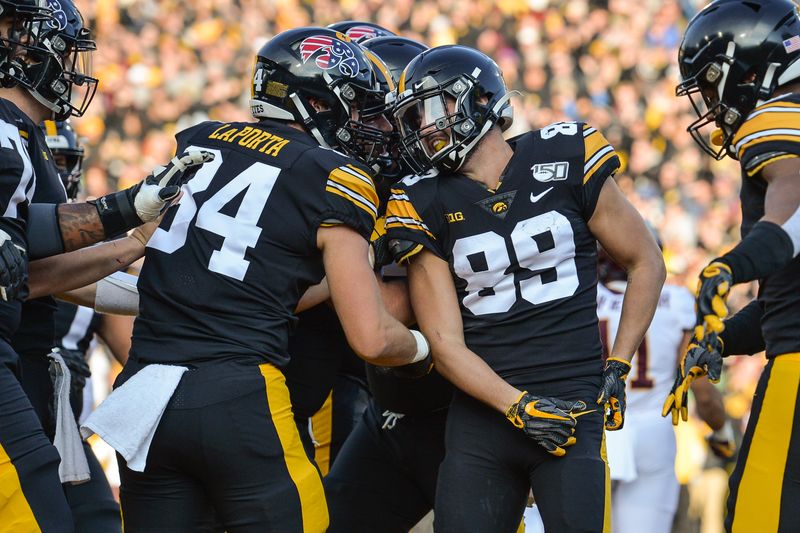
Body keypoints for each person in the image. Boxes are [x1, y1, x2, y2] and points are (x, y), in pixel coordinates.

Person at [91, 27, 430, 532]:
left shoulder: (203, 142)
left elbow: (154, 264)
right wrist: (425, 349)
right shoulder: (334, 175)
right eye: (361, 109)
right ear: (316, 103)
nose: (376, 125)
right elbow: (373, 334)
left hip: (145, 401)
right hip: (240, 397)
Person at [386, 45, 666, 532]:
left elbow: (646, 261)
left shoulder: (564, 153)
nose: (424, 126)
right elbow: (445, 342)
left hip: (572, 407)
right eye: (414, 115)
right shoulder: (420, 197)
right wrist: (516, 406)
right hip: (484, 417)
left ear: (476, 100)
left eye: (433, 108)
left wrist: (618, 362)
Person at [0, 2, 204, 530]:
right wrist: (126, 216)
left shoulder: (25, 134)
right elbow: (18, 269)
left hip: (26, 366)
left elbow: (31, 261)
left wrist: (132, 238)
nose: (71, 69)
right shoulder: (6, 131)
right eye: (62, 53)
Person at [663, 2, 800, 532]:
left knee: (755, 519)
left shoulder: (777, 117)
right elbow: (783, 302)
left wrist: (730, 266)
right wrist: (721, 339)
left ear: (748, 67)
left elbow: (792, 218)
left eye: (713, 83)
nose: (712, 106)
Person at [323, 35, 456, 533]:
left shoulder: (433, 191)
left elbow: (392, 309)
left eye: (375, 114)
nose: (361, 128)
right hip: (392, 410)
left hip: (464, 412)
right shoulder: (371, 188)